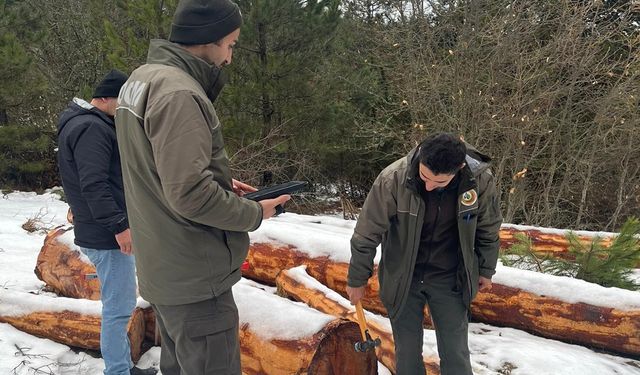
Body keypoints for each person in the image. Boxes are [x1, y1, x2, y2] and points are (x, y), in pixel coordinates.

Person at [114, 1, 290, 374]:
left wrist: (220, 182)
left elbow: (155, 168)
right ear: (208, 39)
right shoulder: (180, 94)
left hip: (164, 267)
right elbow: (190, 194)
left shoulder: (141, 79)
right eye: (231, 44)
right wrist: (256, 212)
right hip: (194, 277)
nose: (229, 58)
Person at [346, 132, 502, 375]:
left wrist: (486, 269)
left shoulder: (479, 181)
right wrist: (357, 279)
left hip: (451, 277)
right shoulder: (393, 179)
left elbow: (488, 227)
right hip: (403, 277)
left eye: (439, 183)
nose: (429, 186)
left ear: (459, 168)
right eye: (424, 176)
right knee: (407, 352)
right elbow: (367, 232)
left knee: (456, 351)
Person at [57, 69, 157, 375]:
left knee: (119, 306)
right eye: (122, 102)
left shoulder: (84, 122)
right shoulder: (91, 128)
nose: (126, 110)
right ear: (104, 98)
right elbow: (94, 184)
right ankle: (117, 371)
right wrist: (119, 226)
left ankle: (121, 366)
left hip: (100, 228)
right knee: (118, 310)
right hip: (106, 234)